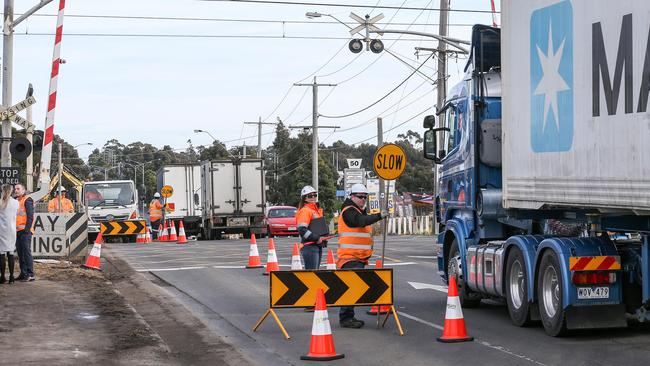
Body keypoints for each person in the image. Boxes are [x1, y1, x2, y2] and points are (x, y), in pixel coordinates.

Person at [337, 183, 387, 328]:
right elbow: (359, 222)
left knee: (354, 288)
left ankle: (348, 317)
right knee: (351, 288)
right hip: (350, 257)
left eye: (365, 197)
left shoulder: (358, 210)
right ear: (352, 196)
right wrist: (379, 216)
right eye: (360, 197)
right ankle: (346, 318)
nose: (363, 199)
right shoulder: (349, 211)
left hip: (358, 257)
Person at [295, 186, 329, 270]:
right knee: (312, 275)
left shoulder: (315, 210)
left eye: (315, 195)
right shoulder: (305, 211)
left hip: (316, 245)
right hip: (309, 246)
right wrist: (316, 238)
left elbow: (318, 228)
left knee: (314, 274)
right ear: (305, 198)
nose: (313, 197)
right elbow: (302, 230)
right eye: (310, 196)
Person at [14, 183, 35, 282]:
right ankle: (23, 273)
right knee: (20, 253)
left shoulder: (27, 199)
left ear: (23, 190)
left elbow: (30, 216)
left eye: (18, 189)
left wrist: (27, 230)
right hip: (18, 231)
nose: (16, 190)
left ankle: (30, 274)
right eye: (15, 189)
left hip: (25, 231)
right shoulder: (16, 201)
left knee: (26, 252)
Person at [0, 184, 19, 284]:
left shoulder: (0, 202)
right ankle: (11, 277)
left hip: (2, 231)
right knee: (10, 253)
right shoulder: (15, 202)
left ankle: (2, 277)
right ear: (11, 191)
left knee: (2, 254)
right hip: (12, 231)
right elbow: (17, 213)